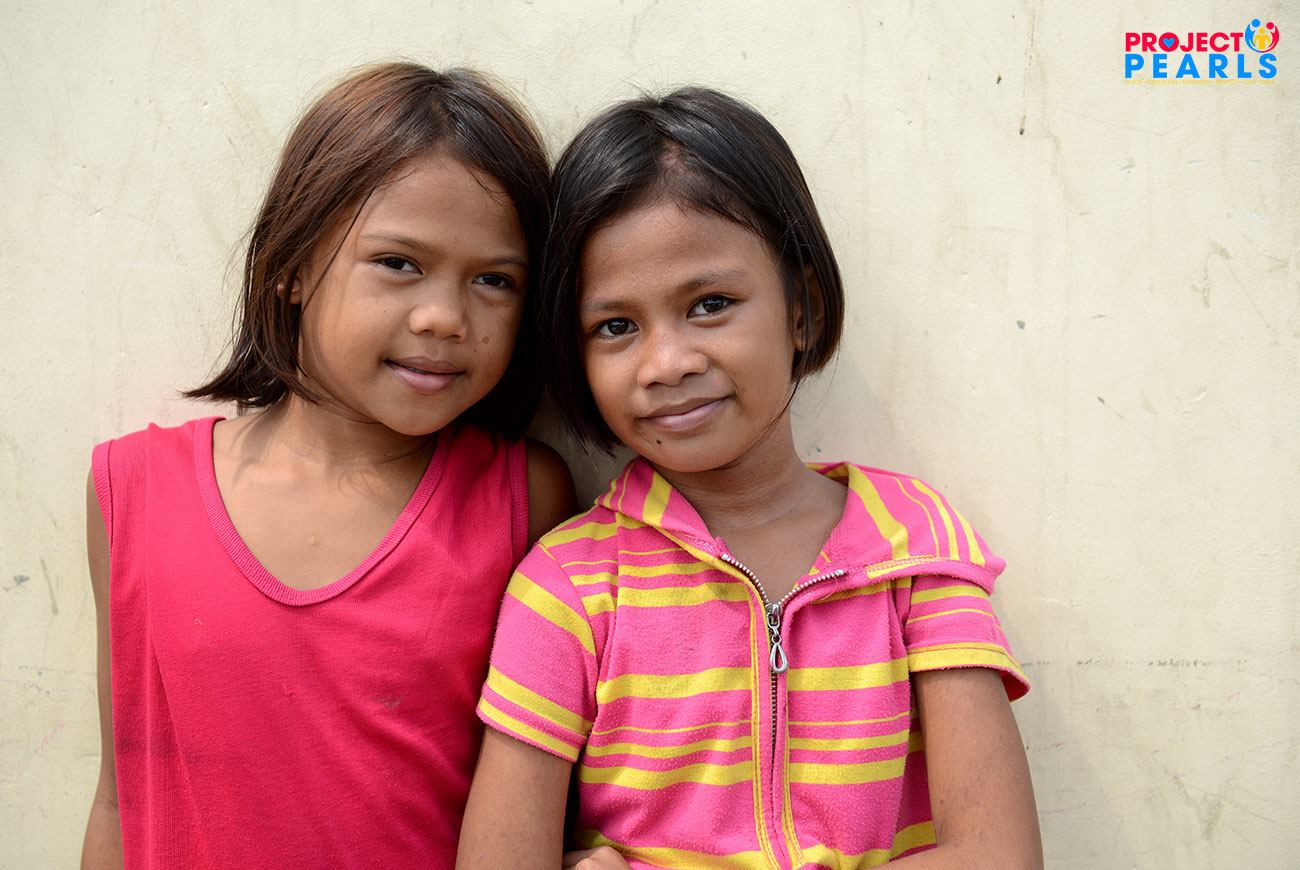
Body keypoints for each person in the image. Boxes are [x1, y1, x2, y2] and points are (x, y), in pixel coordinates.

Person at [458, 88, 1042, 869]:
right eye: (616, 326)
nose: (668, 363)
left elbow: (1000, 855)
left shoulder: (913, 547)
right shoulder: (569, 589)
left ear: (801, 310)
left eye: (710, 304)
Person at [80, 62, 575, 869]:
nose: (444, 318)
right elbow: (119, 795)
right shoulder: (133, 491)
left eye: (495, 280)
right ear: (293, 264)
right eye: (398, 262)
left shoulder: (522, 497)